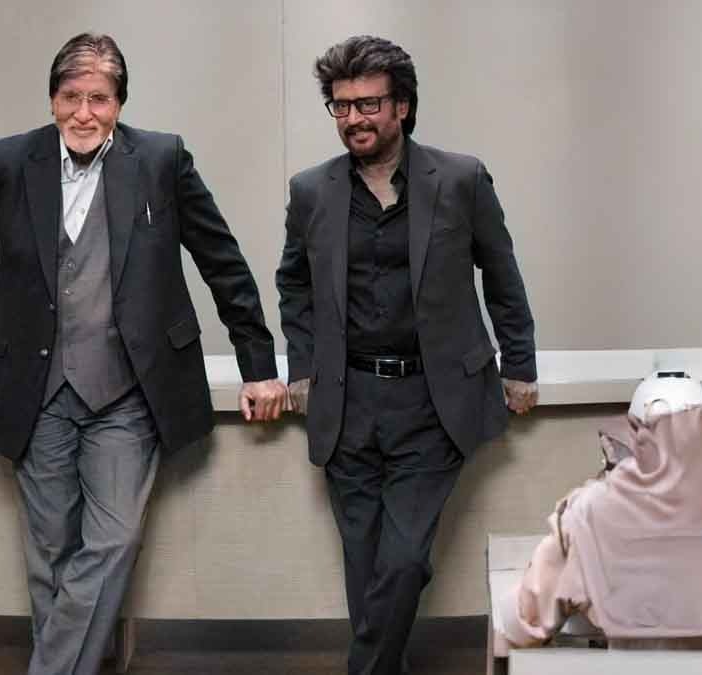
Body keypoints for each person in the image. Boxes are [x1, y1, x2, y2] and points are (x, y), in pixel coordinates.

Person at [0, 32, 287, 675]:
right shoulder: (7, 163)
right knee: (49, 555)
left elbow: (223, 261)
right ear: (52, 99)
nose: (83, 113)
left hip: (128, 393)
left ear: (119, 104)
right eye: (71, 97)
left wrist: (258, 364)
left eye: (98, 98)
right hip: (36, 392)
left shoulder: (160, 160)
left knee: (114, 539)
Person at [276, 35, 538, 675]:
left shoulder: (460, 180)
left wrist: (519, 365)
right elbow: (293, 283)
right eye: (341, 107)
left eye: (368, 104)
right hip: (348, 403)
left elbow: (501, 275)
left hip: (432, 401)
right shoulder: (312, 191)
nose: (354, 119)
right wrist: (302, 367)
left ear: (402, 106)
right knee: (366, 563)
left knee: (403, 561)